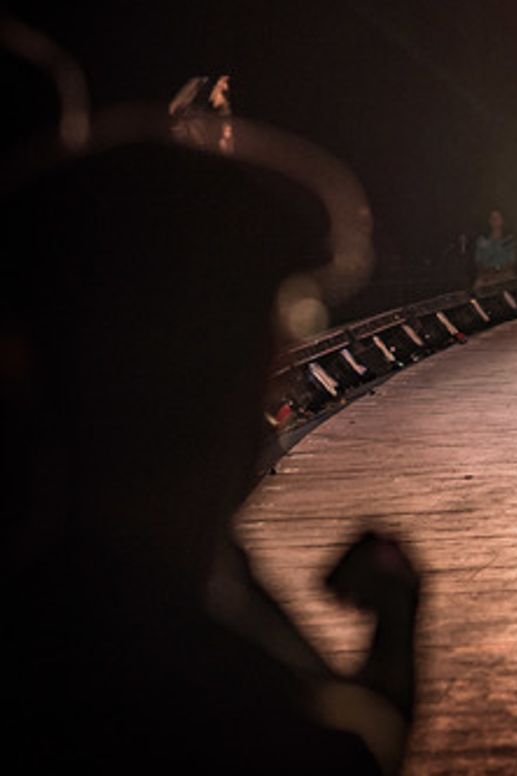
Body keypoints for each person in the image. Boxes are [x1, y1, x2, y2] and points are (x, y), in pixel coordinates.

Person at [5, 133, 420, 773]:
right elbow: (341, 735)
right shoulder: (245, 721)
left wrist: (391, 636)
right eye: (273, 342)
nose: (280, 373)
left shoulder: (133, 580)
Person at [473, 207, 517, 293]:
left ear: (502, 220)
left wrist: (499, 273)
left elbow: (511, 261)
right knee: (477, 286)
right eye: (493, 218)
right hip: (487, 275)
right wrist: (487, 274)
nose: (495, 220)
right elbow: (478, 261)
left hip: (505, 274)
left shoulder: (509, 239)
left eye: (497, 218)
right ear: (489, 221)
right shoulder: (482, 240)